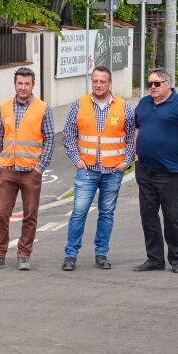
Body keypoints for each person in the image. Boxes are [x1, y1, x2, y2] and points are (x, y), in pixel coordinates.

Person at [61, 66, 134, 271]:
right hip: (87, 169)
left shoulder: (123, 107)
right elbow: (68, 135)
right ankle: (70, 255)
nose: (99, 85)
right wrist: (76, 159)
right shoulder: (79, 104)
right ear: (91, 82)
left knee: (107, 213)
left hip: (113, 171)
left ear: (110, 83)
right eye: (95, 81)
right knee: (79, 212)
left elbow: (131, 138)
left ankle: (101, 254)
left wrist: (126, 162)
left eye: (103, 81)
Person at [0, 67, 55, 271]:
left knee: (30, 214)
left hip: (31, 171)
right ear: (15, 84)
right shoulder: (5, 106)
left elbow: (50, 138)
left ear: (33, 85)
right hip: (8, 170)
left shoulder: (43, 107)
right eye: (20, 83)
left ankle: (24, 254)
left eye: (27, 84)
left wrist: (40, 167)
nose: (23, 87)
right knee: (1, 213)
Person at [133, 68, 178, 274]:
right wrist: (136, 154)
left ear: (168, 84)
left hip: (171, 172)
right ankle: (154, 259)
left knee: (172, 217)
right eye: (149, 84)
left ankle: (176, 258)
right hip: (145, 170)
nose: (152, 87)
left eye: (157, 83)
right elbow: (138, 128)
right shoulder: (144, 104)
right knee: (148, 216)